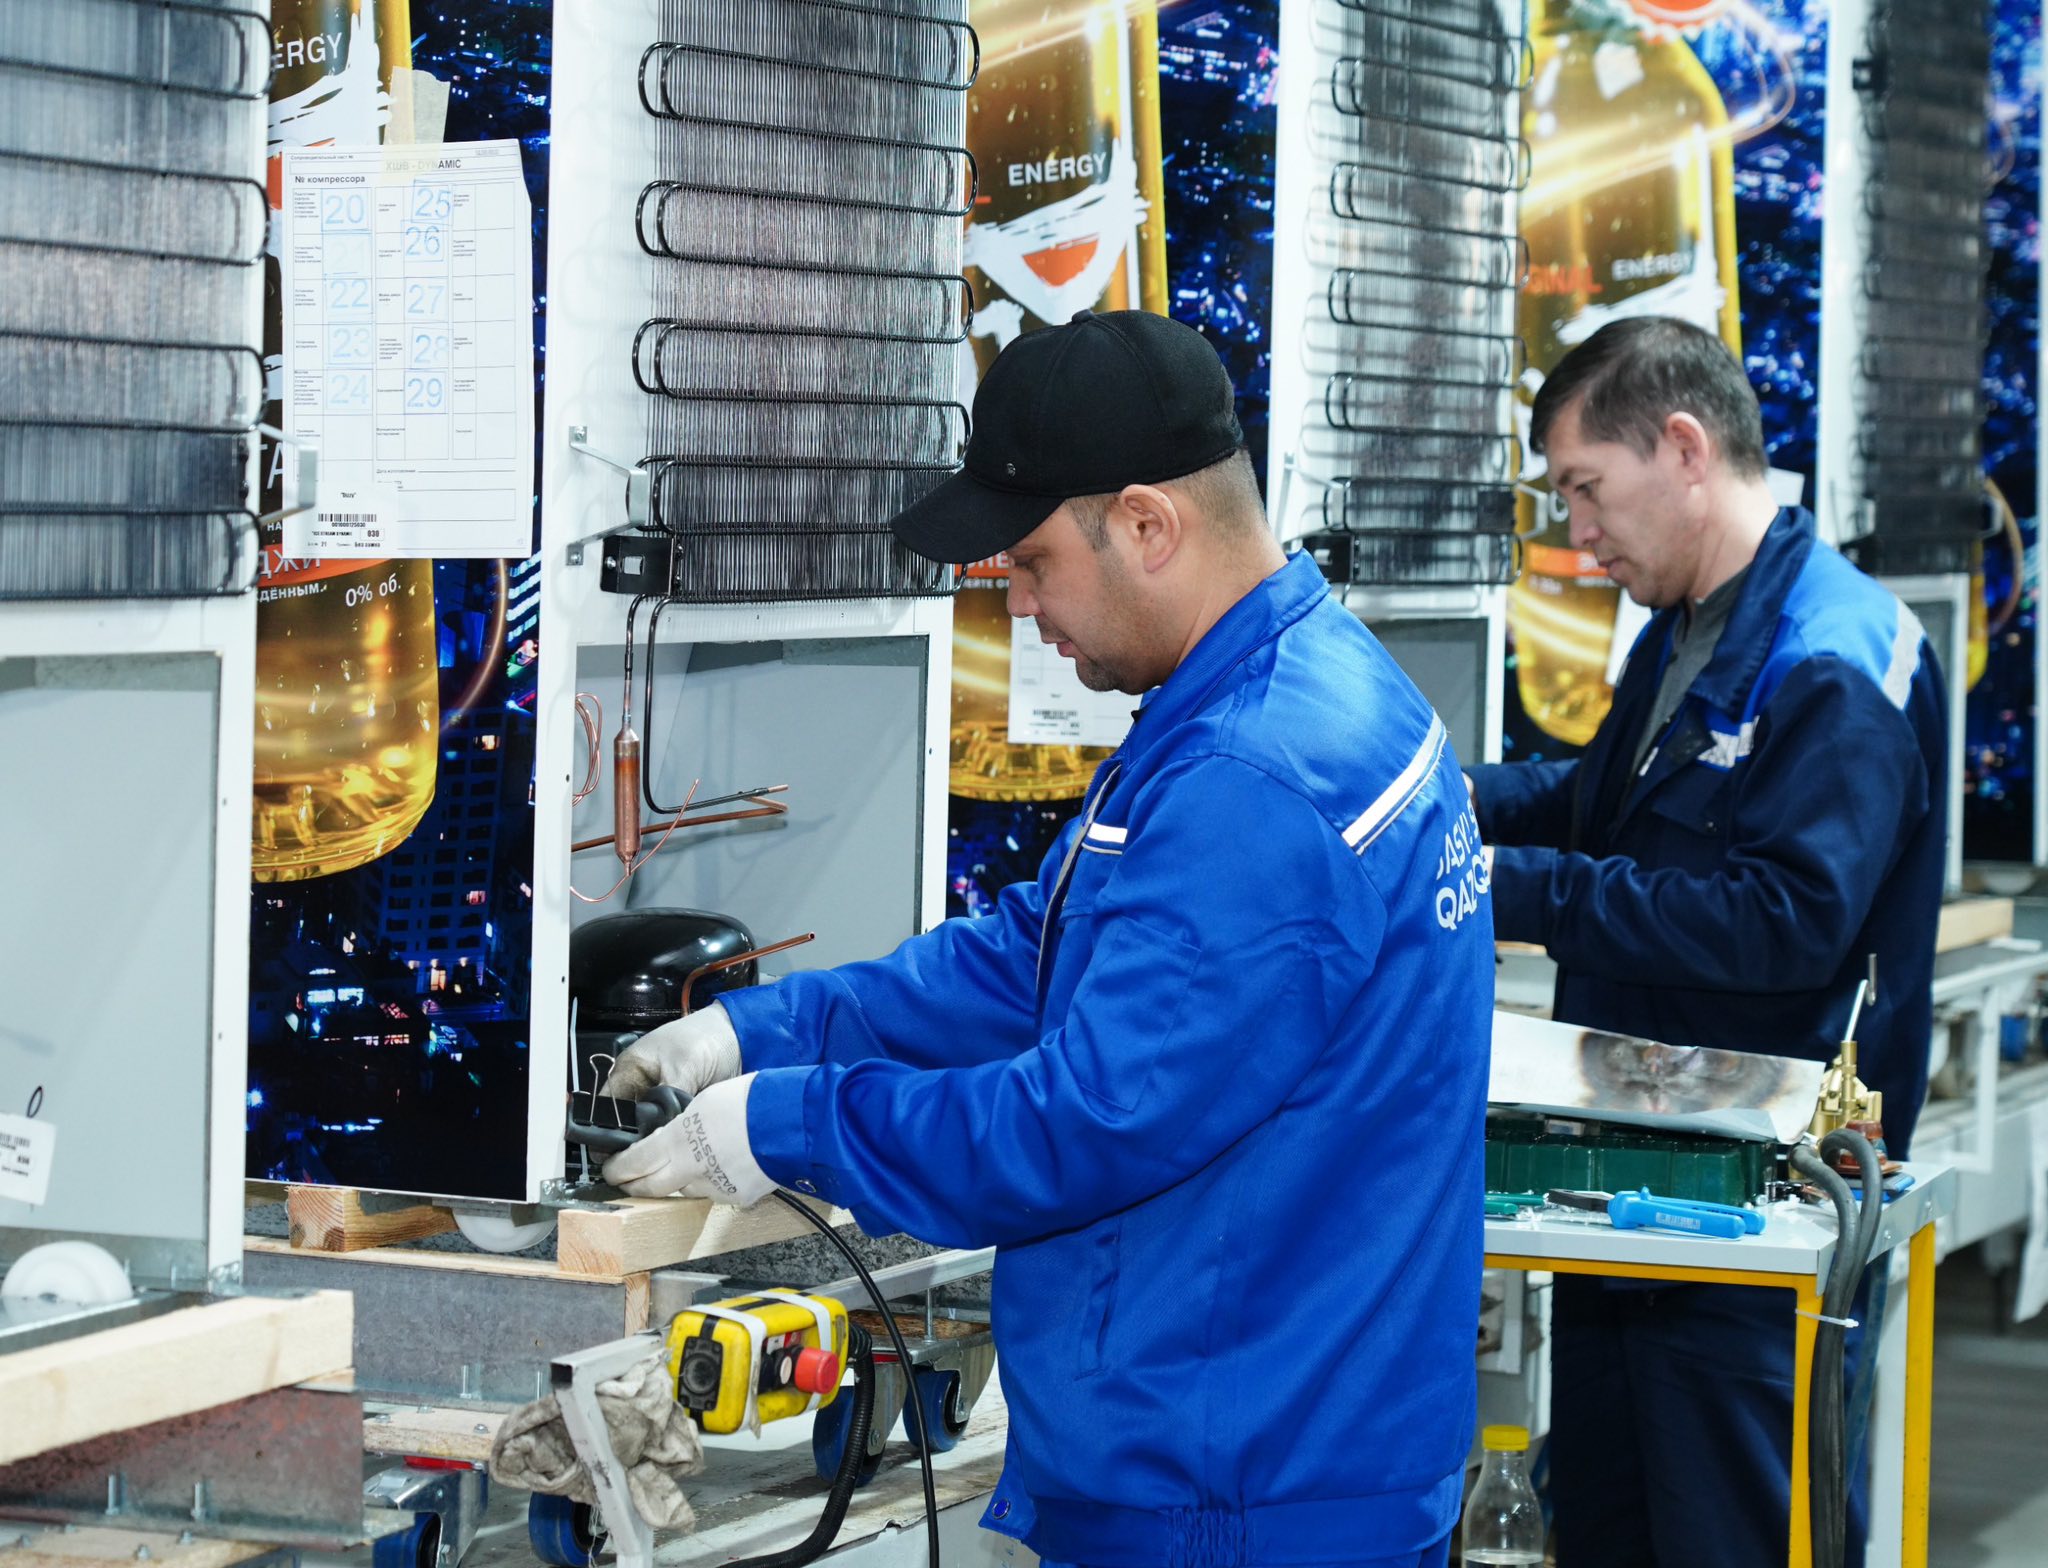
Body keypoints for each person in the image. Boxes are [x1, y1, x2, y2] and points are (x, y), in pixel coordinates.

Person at [599, 310, 1495, 1568]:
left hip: (1236, 1496)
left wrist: (786, 1122)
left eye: (1030, 562)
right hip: (1290, 1444)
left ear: (1146, 524)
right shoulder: (1295, 683)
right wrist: (758, 1027)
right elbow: (1047, 949)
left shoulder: (1253, 774)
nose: (1018, 607)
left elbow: (1080, 1123)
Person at [1468, 315, 1947, 1568]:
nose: (1577, 532)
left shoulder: (1833, 658)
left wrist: (1513, 891)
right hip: (1638, 1178)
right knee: (1610, 1523)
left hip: (1758, 1209)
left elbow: (1782, 922)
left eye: (1584, 487)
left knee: (1735, 1530)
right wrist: (1436, 801)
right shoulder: (1687, 629)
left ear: (1682, 448)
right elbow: (1599, 803)